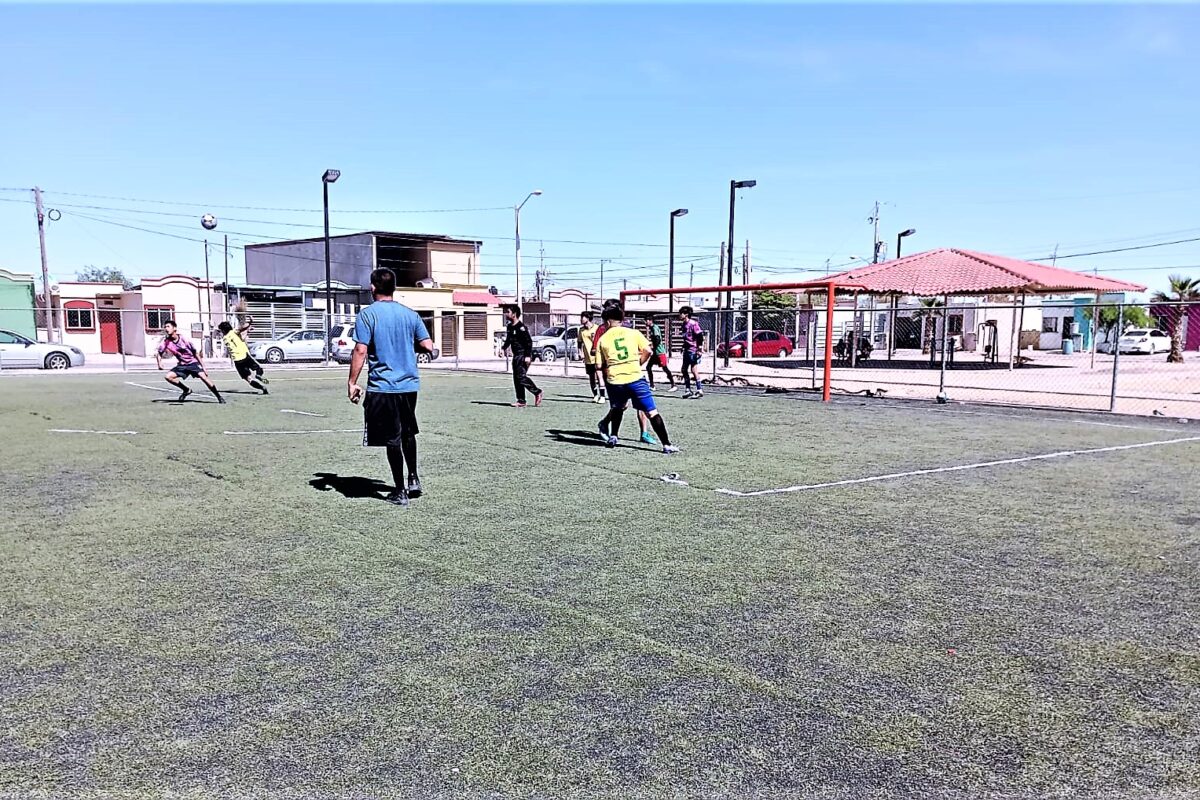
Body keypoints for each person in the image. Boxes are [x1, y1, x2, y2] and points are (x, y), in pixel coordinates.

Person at [347, 267, 435, 507]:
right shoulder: (410, 314)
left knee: (392, 437)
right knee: (408, 432)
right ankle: (413, 478)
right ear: (394, 288)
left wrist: (352, 382)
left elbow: (360, 350)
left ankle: (399, 490)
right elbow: (428, 346)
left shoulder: (367, 315)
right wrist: (407, 344)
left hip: (383, 386)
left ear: (372, 287)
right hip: (409, 385)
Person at [595, 304, 678, 454]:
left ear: (607, 321)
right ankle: (666, 445)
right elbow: (648, 350)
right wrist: (638, 362)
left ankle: (613, 436)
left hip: (615, 380)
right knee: (652, 412)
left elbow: (599, 365)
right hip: (635, 377)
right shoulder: (634, 333)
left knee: (618, 407)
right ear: (621, 319)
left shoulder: (603, 339)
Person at [591, 300, 655, 443]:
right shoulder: (602, 329)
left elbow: (644, 348)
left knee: (641, 402)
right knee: (622, 406)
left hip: (631, 371)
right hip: (614, 374)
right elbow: (595, 351)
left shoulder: (626, 327)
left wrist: (637, 361)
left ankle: (644, 432)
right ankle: (606, 424)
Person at [156, 319, 225, 403]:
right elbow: (159, 353)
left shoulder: (184, 339)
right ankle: (186, 390)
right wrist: (159, 363)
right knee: (168, 377)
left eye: (168, 326)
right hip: (182, 365)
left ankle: (219, 397)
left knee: (204, 378)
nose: (166, 329)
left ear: (174, 328)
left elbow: (195, 353)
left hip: (193, 363)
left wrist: (203, 366)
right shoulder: (166, 342)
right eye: (165, 327)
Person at [501, 304, 543, 408]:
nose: (506, 314)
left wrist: (528, 356)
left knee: (521, 377)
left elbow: (529, 342)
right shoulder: (510, 326)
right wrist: (503, 348)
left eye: (508, 312)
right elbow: (509, 340)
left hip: (522, 355)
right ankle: (521, 400)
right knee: (516, 378)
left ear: (514, 314)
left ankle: (537, 392)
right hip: (516, 356)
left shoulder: (521, 328)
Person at [218, 319, 269, 395]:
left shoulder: (225, 339)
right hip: (245, 356)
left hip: (237, 360)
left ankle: (262, 388)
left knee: (248, 379)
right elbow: (242, 329)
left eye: (221, 330)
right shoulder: (233, 332)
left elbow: (241, 338)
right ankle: (258, 375)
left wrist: (247, 331)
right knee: (259, 368)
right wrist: (250, 322)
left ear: (223, 330)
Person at [577, 311, 604, 403]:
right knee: (592, 378)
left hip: (597, 357)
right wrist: (580, 352)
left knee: (599, 376)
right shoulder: (581, 330)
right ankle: (595, 395)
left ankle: (602, 396)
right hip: (588, 358)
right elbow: (579, 342)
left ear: (588, 318)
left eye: (582, 317)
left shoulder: (597, 328)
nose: (581, 319)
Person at [679, 306, 706, 398]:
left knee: (694, 370)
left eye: (681, 313)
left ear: (686, 314)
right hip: (687, 350)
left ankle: (699, 390)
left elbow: (699, 336)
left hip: (693, 350)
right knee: (684, 369)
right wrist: (683, 346)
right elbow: (686, 338)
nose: (680, 315)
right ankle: (688, 390)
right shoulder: (683, 325)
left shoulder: (693, 324)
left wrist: (699, 349)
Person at [644, 319, 677, 392]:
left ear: (650, 320)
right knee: (648, 367)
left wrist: (653, 346)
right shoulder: (651, 328)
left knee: (665, 368)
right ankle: (652, 385)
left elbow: (658, 339)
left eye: (646, 320)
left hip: (660, 352)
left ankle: (673, 385)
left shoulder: (655, 328)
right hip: (655, 353)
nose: (645, 322)